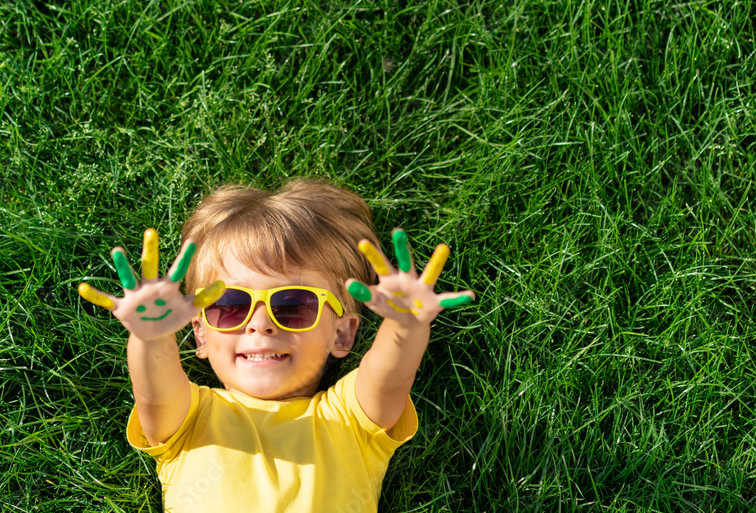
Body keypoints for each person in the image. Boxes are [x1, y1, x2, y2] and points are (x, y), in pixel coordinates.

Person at [78, 179, 476, 512]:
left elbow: (389, 377)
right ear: (199, 333)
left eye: (294, 305)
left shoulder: (351, 419)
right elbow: (154, 389)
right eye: (230, 306)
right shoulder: (190, 418)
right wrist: (151, 335)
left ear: (342, 334)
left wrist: (405, 324)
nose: (261, 323)